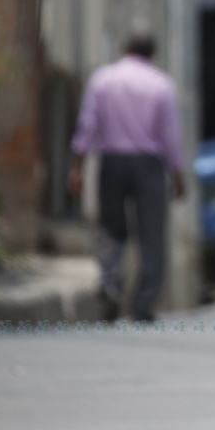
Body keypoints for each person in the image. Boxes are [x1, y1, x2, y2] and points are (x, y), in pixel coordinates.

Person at [67, 29, 186, 323]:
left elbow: (87, 125)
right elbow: (170, 135)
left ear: (123, 48)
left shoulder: (103, 80)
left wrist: (78, 167)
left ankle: (109, 283)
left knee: (111, 226)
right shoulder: (161, 85)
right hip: (149, 164)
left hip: (112, 161)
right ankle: (143, 303)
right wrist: (177, 174)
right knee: (152, 233)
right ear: (153, 54)